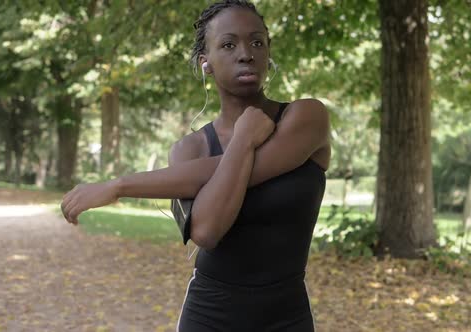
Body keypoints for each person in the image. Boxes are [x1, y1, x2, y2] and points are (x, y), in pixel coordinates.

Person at [60, 0, 330, 330]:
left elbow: (256, 168)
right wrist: (244, 140)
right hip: (209, 316)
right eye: (228, 44)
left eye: (257, 41)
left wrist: (119, 186)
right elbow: (206, 231)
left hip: (288, 318)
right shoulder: (190, 149)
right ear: (206, 63)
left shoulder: (306, 117)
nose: (246, 53)